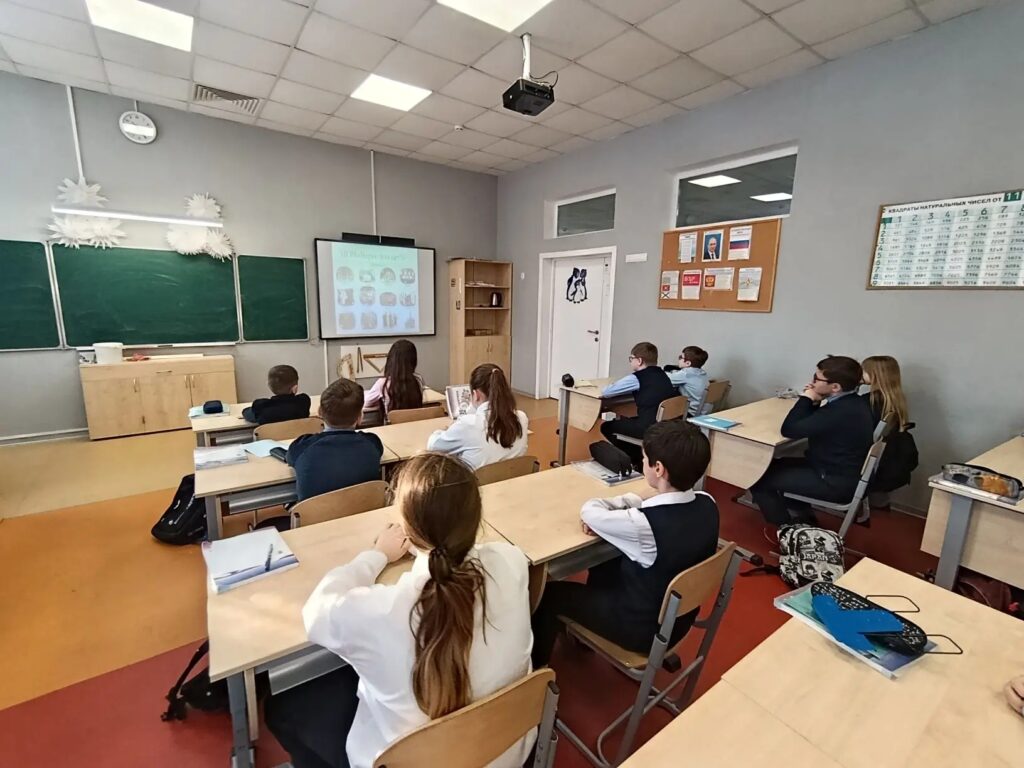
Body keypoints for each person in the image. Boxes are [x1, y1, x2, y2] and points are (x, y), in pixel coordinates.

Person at [264, 453, 534, 768]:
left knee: (282, 705)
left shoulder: (379, 612)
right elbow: (485, 557)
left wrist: (377, 553)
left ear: (407, 528)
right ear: (476, 519)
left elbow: (317, 610)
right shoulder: (512, 563)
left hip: (404, 761)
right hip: (504, 753)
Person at [531, 420, 719, 667]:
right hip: (678, 619)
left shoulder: (643, 524)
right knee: (607, 560)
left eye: (644, 459)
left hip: (641, 629)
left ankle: (538, 671)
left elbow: (590, 511)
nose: (642, 463)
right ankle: (583, 637)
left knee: (550, 595)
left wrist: (632, 498)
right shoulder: (708, 503)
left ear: (658, 469)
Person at [750, 356, 875, 527]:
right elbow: (812, 423)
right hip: (838, 471)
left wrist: (806, 399)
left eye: (817, 379)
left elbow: (790, 430)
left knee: (756, 477)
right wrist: (815, 402)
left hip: (833, 481)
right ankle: (802, 516)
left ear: (835, 387)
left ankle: (786, 528)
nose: (812, 382)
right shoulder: (853, 402)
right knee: (769, 465)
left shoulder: (840, 411)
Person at [287, 378, 383, 502]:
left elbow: (290, 458)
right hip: (364, 512)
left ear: (319, 412)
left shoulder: (302, 446)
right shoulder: (372, 443)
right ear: (360, 417)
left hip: (318, 514)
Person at [426, 363, 527, 469]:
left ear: (476, 394)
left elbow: (433, 446)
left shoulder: (469, 424)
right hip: (512, 478)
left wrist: (442, 431)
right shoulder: (521, 418)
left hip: (473, 480)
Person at [599, 342, 677, 467]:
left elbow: (606, 392)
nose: (630, 361)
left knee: (607, 426)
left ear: (639, 361)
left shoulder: (637, 378)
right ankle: (639, 458)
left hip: (650, 428)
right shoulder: (663, 374)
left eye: (631, 358)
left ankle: (637, 459)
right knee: (626, 419)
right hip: (667, 425)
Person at [861, 355, 918, 505]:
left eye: (863, 371)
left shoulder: (869, 401)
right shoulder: (894, 399)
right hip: (888, 458)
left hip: (872, 462)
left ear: (874, 375)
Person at [363, 339, 425, 415]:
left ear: (391, 360)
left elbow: (366, 403)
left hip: (392, 422)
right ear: (413, 361)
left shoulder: (382, 383)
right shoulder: (418, 380)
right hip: (416, 421)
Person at [242, 364, 311, 425]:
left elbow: (247, 413)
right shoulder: (303, 402)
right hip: (298, 435)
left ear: (269, 386)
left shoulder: (261, 406)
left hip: (271, 436)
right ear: (295, 387)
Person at [666, 345, 709, 416]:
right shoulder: (702, 373)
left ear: (688, 363)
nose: (679, 359)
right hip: (703, 411)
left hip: (691, 413)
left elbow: (665, 378)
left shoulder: (685, 374)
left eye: (681, 357)